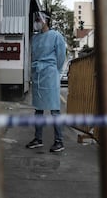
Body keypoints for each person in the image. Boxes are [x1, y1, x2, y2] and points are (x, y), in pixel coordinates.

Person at [25, 11, 66, 152]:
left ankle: (59, 141)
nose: (36, 22)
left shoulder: (56, 36)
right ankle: (38, 139)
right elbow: (33, 56)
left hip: (50, 73)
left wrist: (56, 71)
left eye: (38, 19)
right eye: (35, 19)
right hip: (38, 74)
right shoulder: (34, 39)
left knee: (54, 109)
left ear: (46, 21)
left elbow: (61, 56)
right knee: (38, 109)